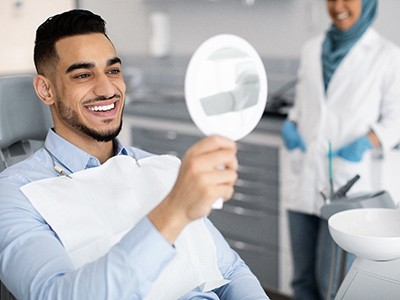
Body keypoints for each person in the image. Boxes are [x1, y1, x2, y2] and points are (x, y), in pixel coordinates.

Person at [0, 9, 269, 300]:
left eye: (113, 70)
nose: (107, 89)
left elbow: (230, 272)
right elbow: (55, 295)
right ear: (46, 89)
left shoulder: (162, 167)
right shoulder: (15, 194)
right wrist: (173, 211)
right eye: (83, 75)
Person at [281, 0, 400, 299]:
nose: (338, 6)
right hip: (306, 175)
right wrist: (291, 124)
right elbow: (303, 105)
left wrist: (368, 140)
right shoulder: (312, 49)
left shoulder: (388, 56)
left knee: (333, 284)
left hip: (350, 184)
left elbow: (396, 118)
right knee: (302, 279)